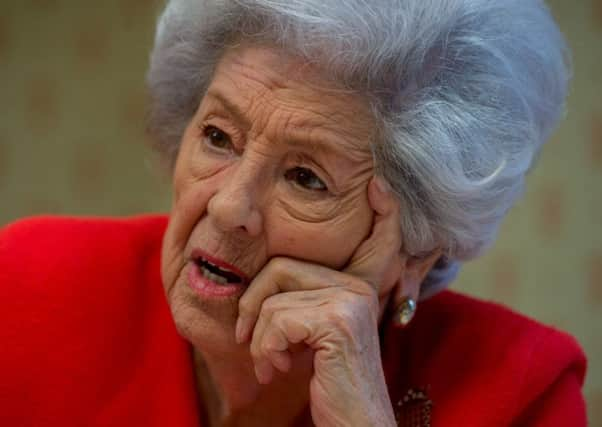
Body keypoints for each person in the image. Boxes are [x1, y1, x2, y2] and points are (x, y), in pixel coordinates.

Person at [0, 0, 587, 426]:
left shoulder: (519, 391)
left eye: (306, 178)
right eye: (217, 136)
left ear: (413, 251)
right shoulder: (29, 286)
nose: (231, 207)